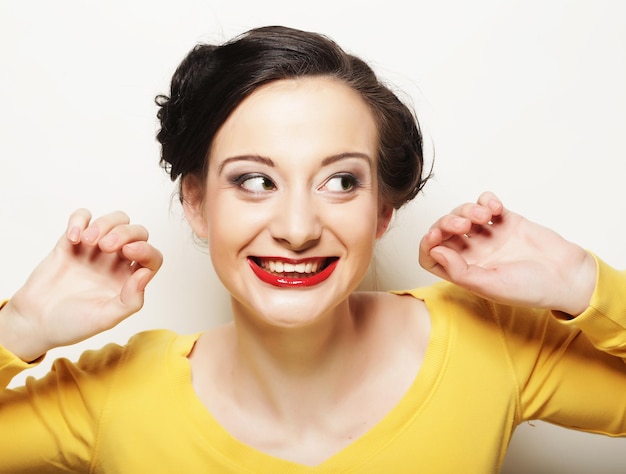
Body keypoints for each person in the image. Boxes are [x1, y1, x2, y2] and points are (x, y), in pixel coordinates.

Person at [1, 25, 625, 473]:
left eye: (341, 181)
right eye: (254, 180)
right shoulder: (112, 395)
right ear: (196, 202)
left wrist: (582, 282)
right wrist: (19, 328)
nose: (297, 227)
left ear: (382, 210)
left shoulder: (489, 344)